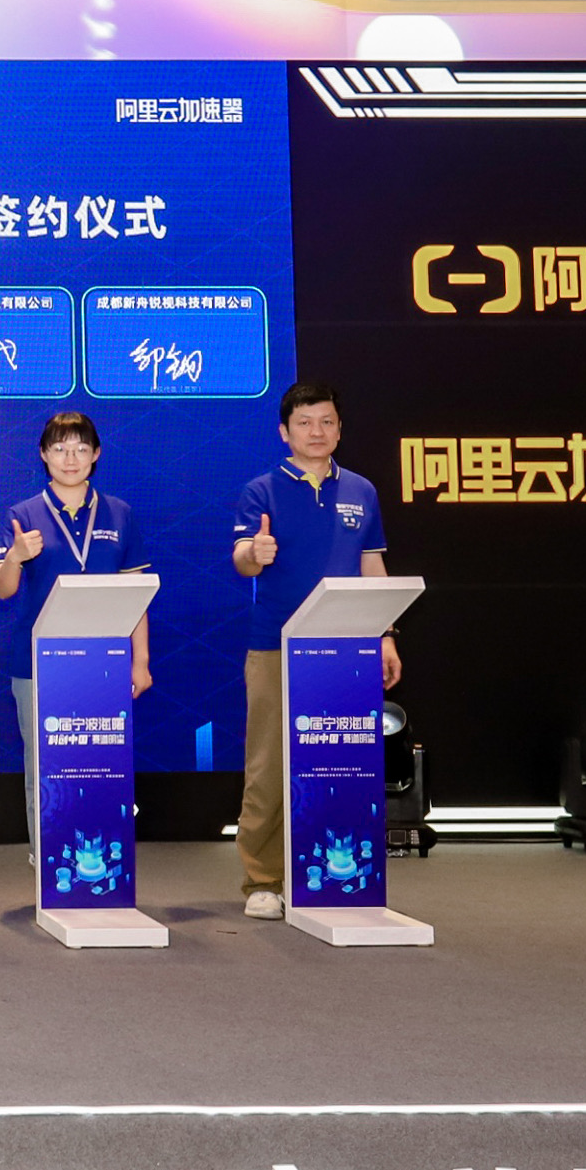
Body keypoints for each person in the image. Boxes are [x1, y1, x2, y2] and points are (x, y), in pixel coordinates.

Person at [228, 381, 400, 922]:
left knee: (343, 764)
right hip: (276, 645)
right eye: (304, 423)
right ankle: (263, 880)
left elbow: (372, 565)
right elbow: (242, 559)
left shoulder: (362, 491)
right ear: (285, 432)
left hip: (348, 651)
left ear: (340, 429)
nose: (316, 432)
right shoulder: (261, 491)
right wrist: (256, 553)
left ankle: (332, 871)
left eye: (326, 421)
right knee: (269, 768)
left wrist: (386, 634)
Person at [0, 412, 151, 865]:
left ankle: (101, 855)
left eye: (81, 448)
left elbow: (136, 594)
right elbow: (3, 590)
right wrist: (16, 557)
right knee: (43, 763)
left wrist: (140, 661)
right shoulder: (23, 514)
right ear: (43, 455)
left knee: (102, 761)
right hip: (37, 662)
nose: (70, 458)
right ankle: (47, 857)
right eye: (60, 449)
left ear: (96, 454)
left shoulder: (119, 513)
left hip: (105, 660)